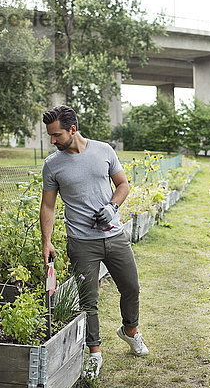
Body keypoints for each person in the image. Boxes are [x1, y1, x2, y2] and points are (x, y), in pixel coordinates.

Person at [39, 105, 148, 379]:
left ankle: (130, 331)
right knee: (89, 300)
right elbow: (48, 206)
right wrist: (47, 241)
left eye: (56, 135)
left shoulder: (104, 151)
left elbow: (123, 184)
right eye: (50, 135)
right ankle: (95, 353)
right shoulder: (53, 164)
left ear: (72, 129)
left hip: (114, 234)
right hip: (81, 241)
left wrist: (112, 207)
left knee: (131, 287)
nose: (52, 140)